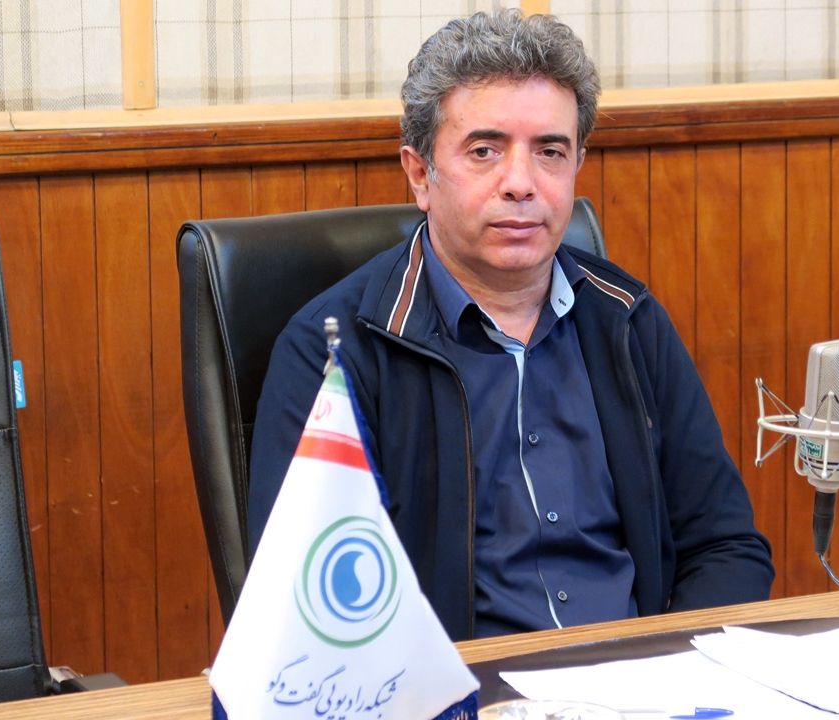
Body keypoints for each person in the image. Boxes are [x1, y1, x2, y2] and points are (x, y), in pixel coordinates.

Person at [248, 9, 773, 641]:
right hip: (459, 686)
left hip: (644, 673)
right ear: (420, 174)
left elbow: (724, 546)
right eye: (484, 151)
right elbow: (314, 603)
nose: (521, 183)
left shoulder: (627, 318)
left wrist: (675, 670)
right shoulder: (336, 351)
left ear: (577, 164)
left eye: (550, 152)